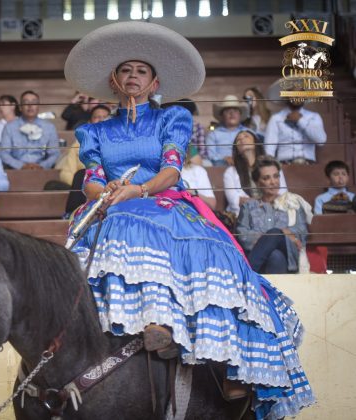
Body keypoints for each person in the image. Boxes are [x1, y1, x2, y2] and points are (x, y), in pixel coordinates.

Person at [64, 21, 314, 418]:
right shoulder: (95, 131)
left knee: (218, 256)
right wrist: (107, 194)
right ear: (114, 79)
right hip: (113, 204)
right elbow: (92, 179)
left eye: (141, 71)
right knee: (101, 234)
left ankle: (224, 359)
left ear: (154, 81)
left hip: (162, 201)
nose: (133, 77)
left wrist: (138, 190)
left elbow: (172, 170)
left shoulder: (172, 118)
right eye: (125, 70)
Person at [236, 157, 311, 274]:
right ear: (257, 182)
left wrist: (276, 234)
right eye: (266, 178)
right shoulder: (249, 206)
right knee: (275, 256)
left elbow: (302, 232)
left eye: (276, 176)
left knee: (275, 233)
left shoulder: (292, 203)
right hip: (263, 258)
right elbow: (241, 233)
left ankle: (247, 275)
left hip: (289, 258)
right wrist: (269, 238)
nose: (273, 182)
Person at [224, 129, 287, 216]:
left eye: (246, 136)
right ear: (237, 149)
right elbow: (234, 201)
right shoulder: (230, 172)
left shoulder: (272, 166)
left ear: (256, 142)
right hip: (244, 217)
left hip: (274, 213)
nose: (242, 139)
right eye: (238, 140)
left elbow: (283, 194)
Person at [0, 90, 60, 170]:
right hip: (16, 171)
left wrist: (42, 166)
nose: (30, 105)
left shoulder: (49, 127)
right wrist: (21, 166)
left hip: (42, 170)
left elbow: (55, 154)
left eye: (34, 102)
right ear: (20, 107)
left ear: (38, 106)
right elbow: (3, 153)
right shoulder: (9, 127)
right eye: (26, 102)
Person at [264, 97, 326, 164]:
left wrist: (300, 120)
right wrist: (270, 165)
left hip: (309, 164)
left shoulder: (314, 117)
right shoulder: (276, 118)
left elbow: (321, 141)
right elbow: (269, 147)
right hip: (284, 164)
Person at [205, 95, 248, 166]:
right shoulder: (213, 134)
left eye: (235, 111)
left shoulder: (248, 132)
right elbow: (211, 155)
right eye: (227, 111)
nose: (232, 113)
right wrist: (224, 158)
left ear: (240, 115)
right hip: (221, 165)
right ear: (222, 116)